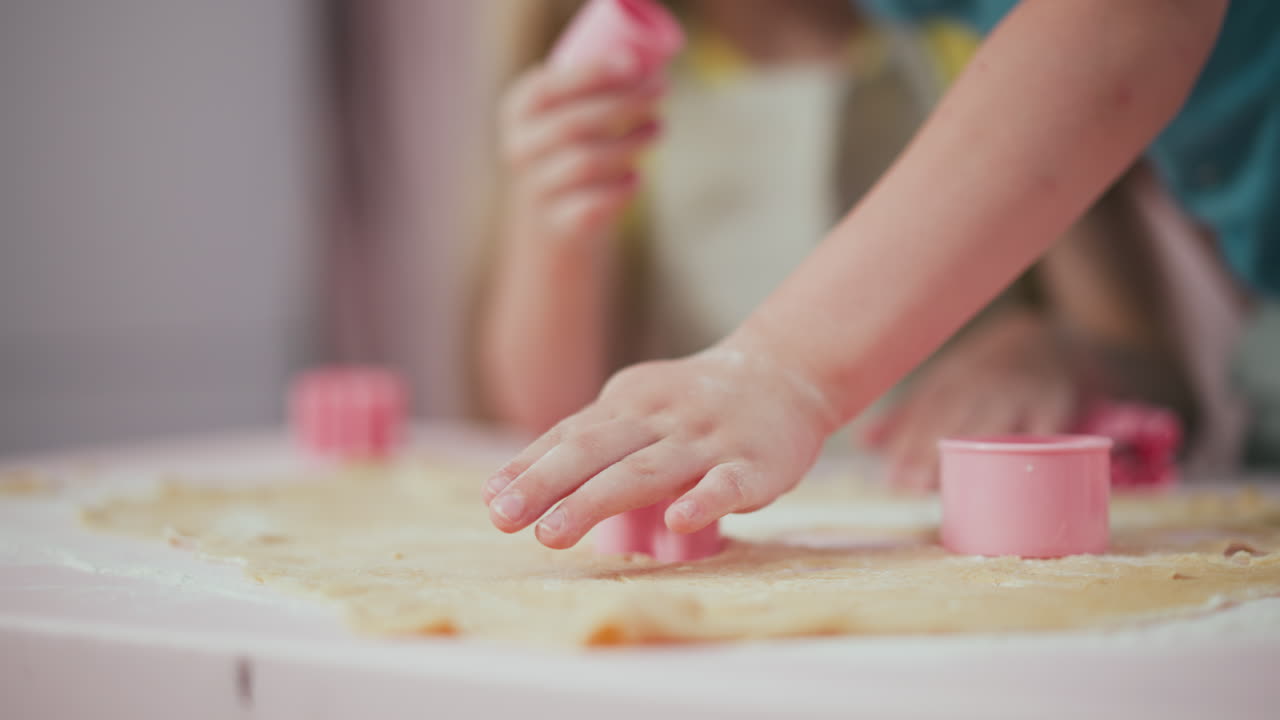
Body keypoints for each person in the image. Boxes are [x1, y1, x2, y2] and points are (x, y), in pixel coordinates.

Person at [480, 0, 1258, 548]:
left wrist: (1059, 349)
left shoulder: (967, 44)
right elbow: (551, 420)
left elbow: (1155, 374)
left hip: (942, 537)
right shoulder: (633, 92)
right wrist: (549, 224)